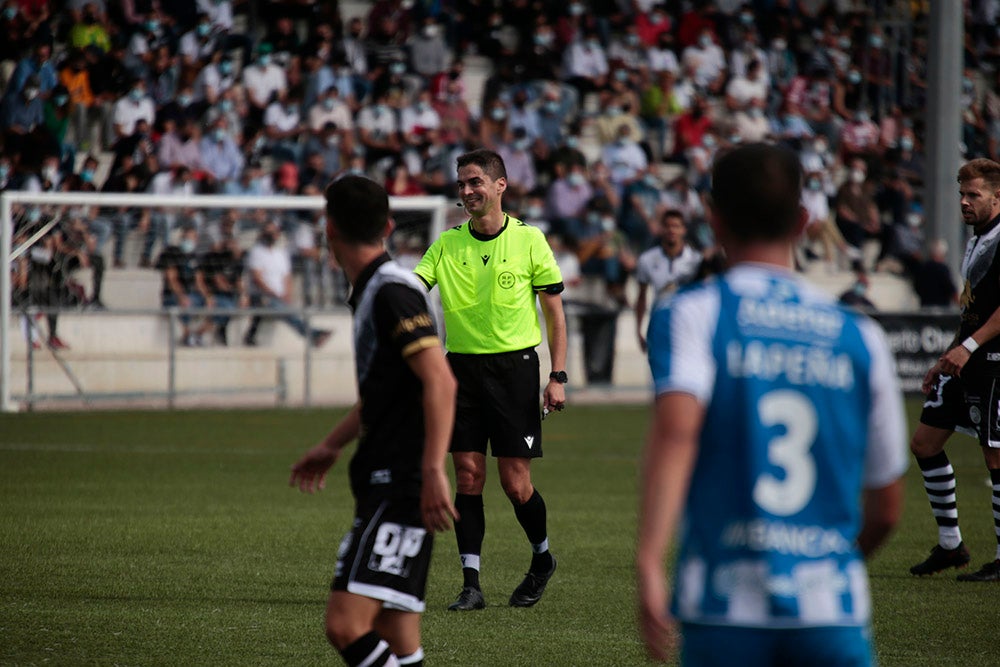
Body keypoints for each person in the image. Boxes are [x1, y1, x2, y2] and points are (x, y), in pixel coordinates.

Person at [636, 143, 907, 664]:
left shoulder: (693, 314)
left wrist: (649, 562)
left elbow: (676, 436)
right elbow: (888, 509)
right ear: (804, 220)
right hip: (832, 613)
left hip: (723, 608)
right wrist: (825, 569)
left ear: (713, 220)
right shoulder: (859, 334)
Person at [289, 174, 458, 667]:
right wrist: (333, 444)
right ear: (386, 225)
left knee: (345, 625)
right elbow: (393, 387)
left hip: (400, 482)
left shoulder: (390, 292)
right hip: (389, 476)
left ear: (329, 229)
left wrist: (430, 473)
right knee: (397, 636)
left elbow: (440, 381)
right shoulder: (376, 291)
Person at [414, 149, 567, 611]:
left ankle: (542, 560)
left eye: (475, 182)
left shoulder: (530, 240)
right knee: (467, 475)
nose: (466, 192)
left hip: (515, 369)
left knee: (515, 482)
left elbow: (555, 316)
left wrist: (557, 376)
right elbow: (413, 287)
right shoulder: (446, 243)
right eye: (461, 184)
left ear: (501, 185)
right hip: (459, 370)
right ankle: (471, 584)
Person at [909, 158, 1000, 582]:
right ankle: (951, 546)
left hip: (994, 359)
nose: (964, 202)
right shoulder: (978, 237)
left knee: (995, 455)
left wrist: (967, 347)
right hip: (967, 354)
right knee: (925, 442)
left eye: (973, 195)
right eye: (961, 193)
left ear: (997, 196)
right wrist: (946, 357)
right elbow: (972, 310)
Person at [243, 220, 332, 348]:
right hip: (262, 296)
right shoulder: (257, 252)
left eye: (274, 232)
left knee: (283, 309)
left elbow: (286, 276)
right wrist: (273, 293)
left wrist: (287, 293)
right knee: (280, 308)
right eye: (269, 232)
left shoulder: (280, 253)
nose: (272, 235)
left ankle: (251, 335)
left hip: (277, 297)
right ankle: (313, 334)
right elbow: (257, 279)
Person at [633, 209, 703, 353]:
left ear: (683, 230)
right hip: (659, 326)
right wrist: (638, 329)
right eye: (667, 226)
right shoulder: (647, 259)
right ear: (661, 229)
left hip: (688, 327)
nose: (672, 230)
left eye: (676, 226)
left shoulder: (696, 260)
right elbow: (641, 297)